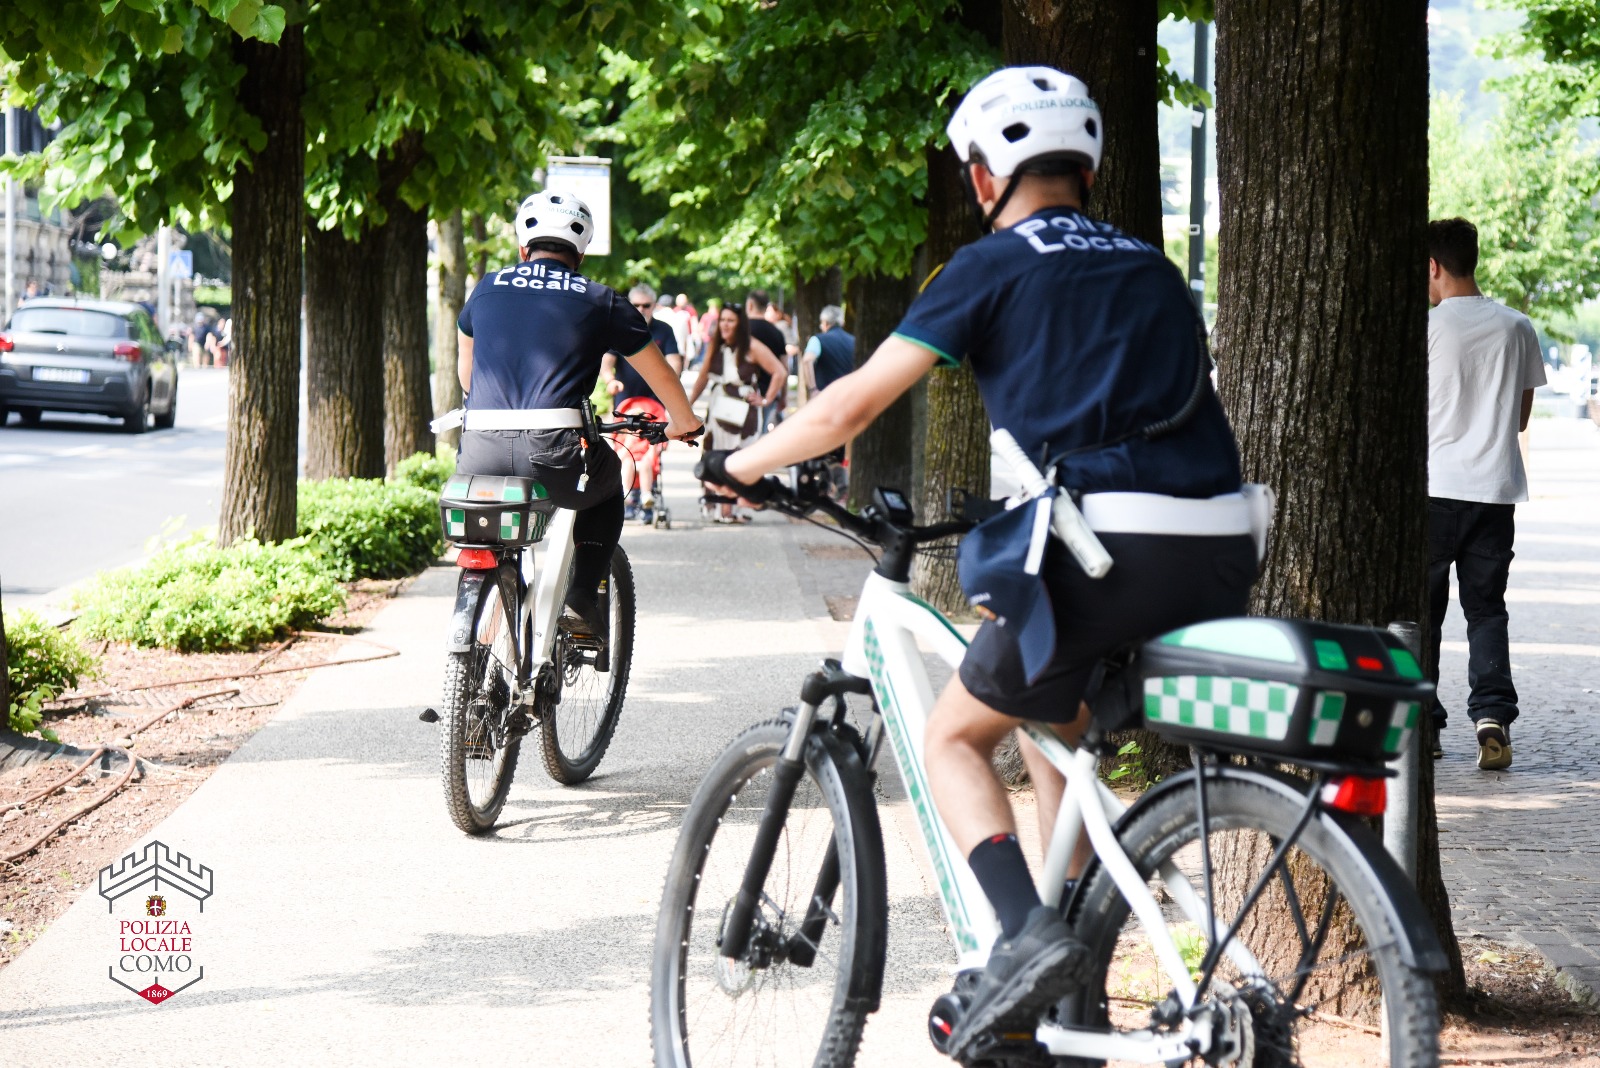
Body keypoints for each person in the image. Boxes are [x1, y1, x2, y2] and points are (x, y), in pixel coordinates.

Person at [700, 66, 1257, 1057]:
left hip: (1102, 551)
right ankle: (1066, 991)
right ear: (1088, 169)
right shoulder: (1153, 267)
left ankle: (1025, 938)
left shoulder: (988, 265)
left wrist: (735, 464)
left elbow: (847, 408)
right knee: (1052, 727)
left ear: (985, 175)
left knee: (954, 737)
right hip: (1217, 550)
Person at [456, 190, 701, 631]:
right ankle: (583, 596)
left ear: (523, 249)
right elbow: (661, 374)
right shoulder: (601, 300)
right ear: (581, 254)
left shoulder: (486, 288)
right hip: (555, 452)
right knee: (607, 486)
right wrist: (684, 422)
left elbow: (466, 375)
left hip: (479, 451)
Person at [1424, 217, 1546, 771]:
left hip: (1434, 490)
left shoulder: (1427, 330)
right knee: (1487, 610)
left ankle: (1423, 723)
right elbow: (1519, 418)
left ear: (1433, 266)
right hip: (1494, 492)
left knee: (1423, 612)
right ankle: (1492, 716)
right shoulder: (1517, 327)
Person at [688, 302, 786, 523]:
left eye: (730, 320)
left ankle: (734, 509)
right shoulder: (716, 345)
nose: (725, 325)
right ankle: (717, 507)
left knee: (739, 457)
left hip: (744, 413)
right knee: (714, 454)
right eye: (722, 320)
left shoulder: (752, 346)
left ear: (740, 324)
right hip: (718, 409)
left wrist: (766, 399)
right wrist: (686, 405)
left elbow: (779, 372)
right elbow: (703, 377)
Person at [599, 283, 682, 522]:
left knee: (650, 452)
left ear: (654, 306)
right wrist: (610, 380)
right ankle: (629, 498)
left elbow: (675, 362)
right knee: (626, 450)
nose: (641, 309)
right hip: (626, 405)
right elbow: (607, 362)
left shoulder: (664, 330)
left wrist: (670, 386)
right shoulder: (620, 329)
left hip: (655, 405)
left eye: (646, 305)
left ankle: (646, 497)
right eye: (636, 305)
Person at [745, 290, 790, 433]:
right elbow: (784, 367)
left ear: (750, 305)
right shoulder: (777, 333)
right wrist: (782, 396)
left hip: (743, 394)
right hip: (769, 393)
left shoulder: (741, 331)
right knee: (761, 436)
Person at [801, 305, 854, 396]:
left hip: (825, 395)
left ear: (825, 323)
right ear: (842, 323)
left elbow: (807, 360)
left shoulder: (817, 340)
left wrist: (813, 389)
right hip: (849, 395)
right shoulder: (853, 341)